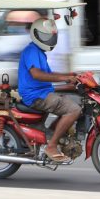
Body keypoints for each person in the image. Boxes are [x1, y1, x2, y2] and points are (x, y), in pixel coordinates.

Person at [18, 18, 81, 163]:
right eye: (46, 36)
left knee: (73, 102)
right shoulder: (31, 51)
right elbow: (37, 74)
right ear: (36, 34)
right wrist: (65, 78)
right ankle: (51, 145)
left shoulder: (39, 52)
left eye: (51, 36)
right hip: (35, 96)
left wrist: (70, 76)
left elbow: (49, 75)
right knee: (73, 110)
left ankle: (53, 135)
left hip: (43, 92)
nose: (49, 39)